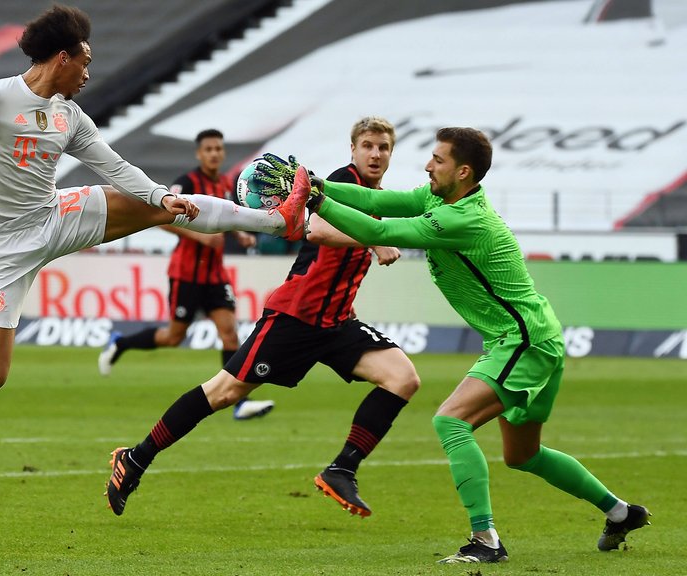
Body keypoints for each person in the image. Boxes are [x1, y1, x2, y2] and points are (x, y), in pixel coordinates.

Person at [0, 4, 310, 395]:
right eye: (84, 62)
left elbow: (113, 166)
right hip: (1, 245)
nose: (88, 73)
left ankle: (278, 220)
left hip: (56, 214)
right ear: (62, 58)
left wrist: (159, 196)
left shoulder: (70, 116)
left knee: (162, 208)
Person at [289, 126, 649, 562]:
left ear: (462, 172)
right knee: (524, 455)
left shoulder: (463, 220)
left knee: (451, 421)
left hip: (522, 341)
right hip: (535, 336)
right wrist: (319, 182)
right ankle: (621, 513)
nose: (428, 166)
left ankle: (485, 540)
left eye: (437, 160)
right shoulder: (438, 198)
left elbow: (374, 228)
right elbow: (375, 202)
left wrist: (315, 201)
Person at [106, 116, 419, 519]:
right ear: (353, 150)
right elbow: (318, 230)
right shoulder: (343, 181)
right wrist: (377, 240)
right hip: (296, 317)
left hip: (337, 322)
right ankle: (135, 458)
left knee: (403, 378)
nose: (375, 154)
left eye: (383, 147)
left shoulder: (377, 198)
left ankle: (342, 469)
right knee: (224, 393)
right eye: (368, 146)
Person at [97, 128, 273, 420]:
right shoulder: (187, 182)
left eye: (218, 148)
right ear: (199, 154)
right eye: (209, 149)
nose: (214, 154)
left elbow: (226, 217)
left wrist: (239, 233)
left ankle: (239, 403)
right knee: (173, 337)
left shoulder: (226, 184)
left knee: (229, 333)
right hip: (187, 273)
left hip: (215, 275)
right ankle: (120, 342)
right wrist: (200, 236)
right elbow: (160, 218)